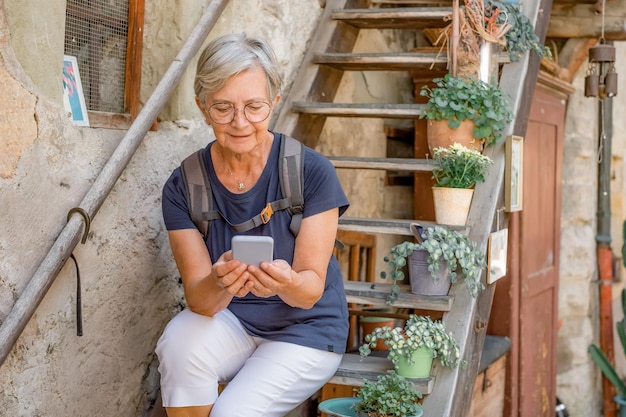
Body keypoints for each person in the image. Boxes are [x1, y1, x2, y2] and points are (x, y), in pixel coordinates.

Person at [156, 33, 350, 417]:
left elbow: (309, 291)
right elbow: (201, 301)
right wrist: (220, 280)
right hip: (233, 321)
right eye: (223, 108)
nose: (240, 122)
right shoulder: (184, 185)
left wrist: (286, 282)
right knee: (177, 341)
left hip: (306, 331)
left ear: (274, 103)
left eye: (254, 106)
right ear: (202, 107)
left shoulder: (312, 172)